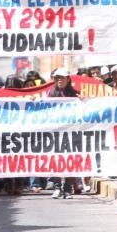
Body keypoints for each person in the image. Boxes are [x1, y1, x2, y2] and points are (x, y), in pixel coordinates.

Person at [48, 68, 80, 199]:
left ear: (68, 79)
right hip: (56, 132)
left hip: (70, 132)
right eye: (57, 78)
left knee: (70, 160)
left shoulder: (75, 95)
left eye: (62, 77)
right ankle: (57, 187)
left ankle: (67, 189)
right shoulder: (50, 94)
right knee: (55, 160)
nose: (59, 80)